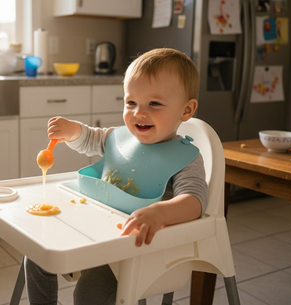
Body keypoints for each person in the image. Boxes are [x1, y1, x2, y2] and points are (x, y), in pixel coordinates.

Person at [25, 48, 208, 305]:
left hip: (133, 251)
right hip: (94, 228)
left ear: (186, 110)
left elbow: (195, 201)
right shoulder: (120, 138)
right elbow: (90, 139)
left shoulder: (185, 158)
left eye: (154, 104)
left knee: (89, 293)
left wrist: (161, 212)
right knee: (37, 251)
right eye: (131, 103)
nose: (138, 113)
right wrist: (73, 130)